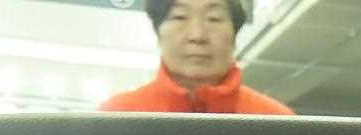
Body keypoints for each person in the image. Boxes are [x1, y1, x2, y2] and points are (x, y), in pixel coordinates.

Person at [101, 0, 294, 115]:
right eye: (180, 17)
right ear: (158, 33)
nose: (197, 35)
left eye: (214, 18)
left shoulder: (277, 122)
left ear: (234, 35)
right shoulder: (117, 116)